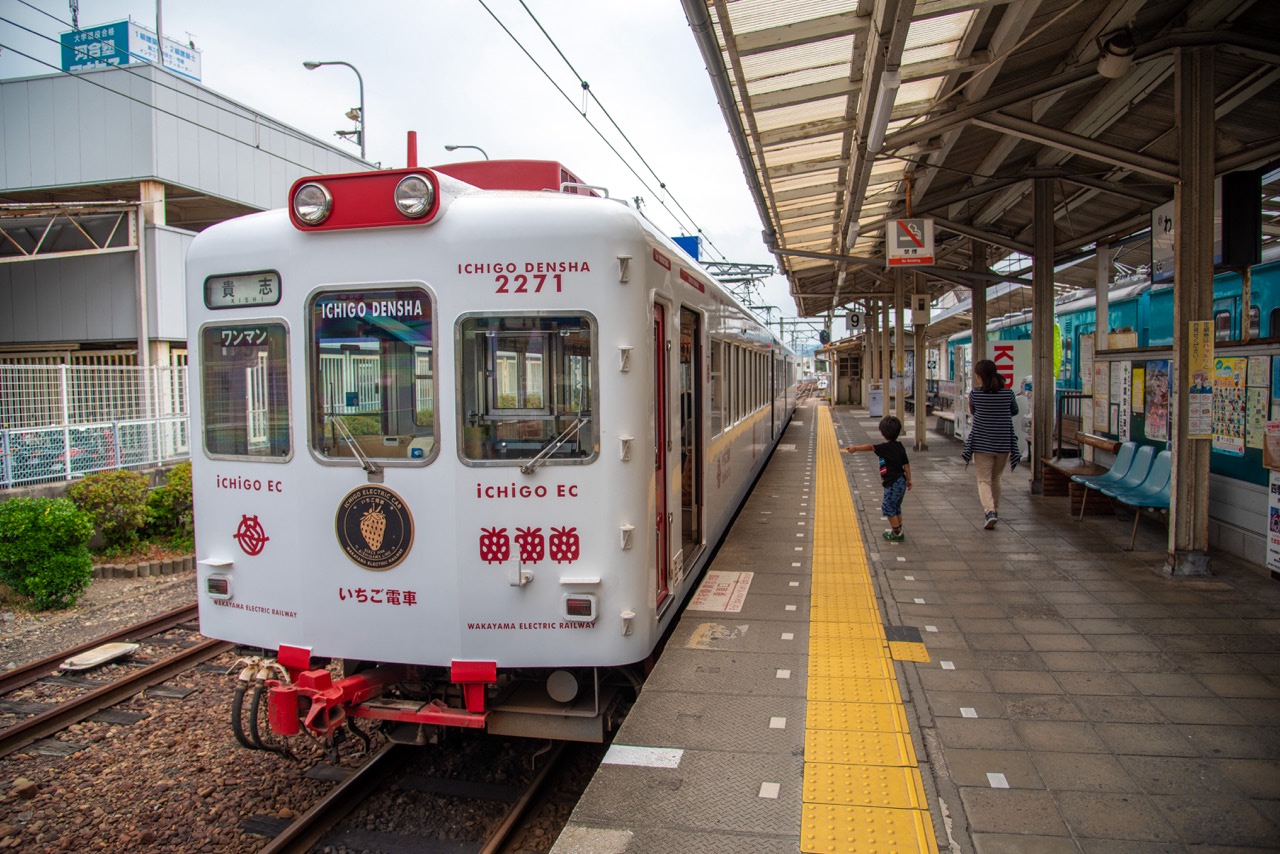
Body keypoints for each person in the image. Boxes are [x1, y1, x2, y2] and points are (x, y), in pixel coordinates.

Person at [963, 359, 1020, 529]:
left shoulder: (975, 394)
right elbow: (1014, 410)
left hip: (982, 444)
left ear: (979, 377)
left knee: (983, 480)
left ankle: (990, 512)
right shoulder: (1008, 393)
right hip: (1003, 443)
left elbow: (972, 411)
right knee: (996, 478)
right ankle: (994, 509)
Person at [845, 415, 911, 541]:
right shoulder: (899, 446)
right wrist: (909, 480)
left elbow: (870, 447)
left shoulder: (885, 448)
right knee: (896, 506)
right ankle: (898, 528)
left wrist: (855, 448)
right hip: (901, 481)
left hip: (892, 483)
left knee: (888, 507)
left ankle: (896, 533)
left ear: (883, 433)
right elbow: (906, 465)